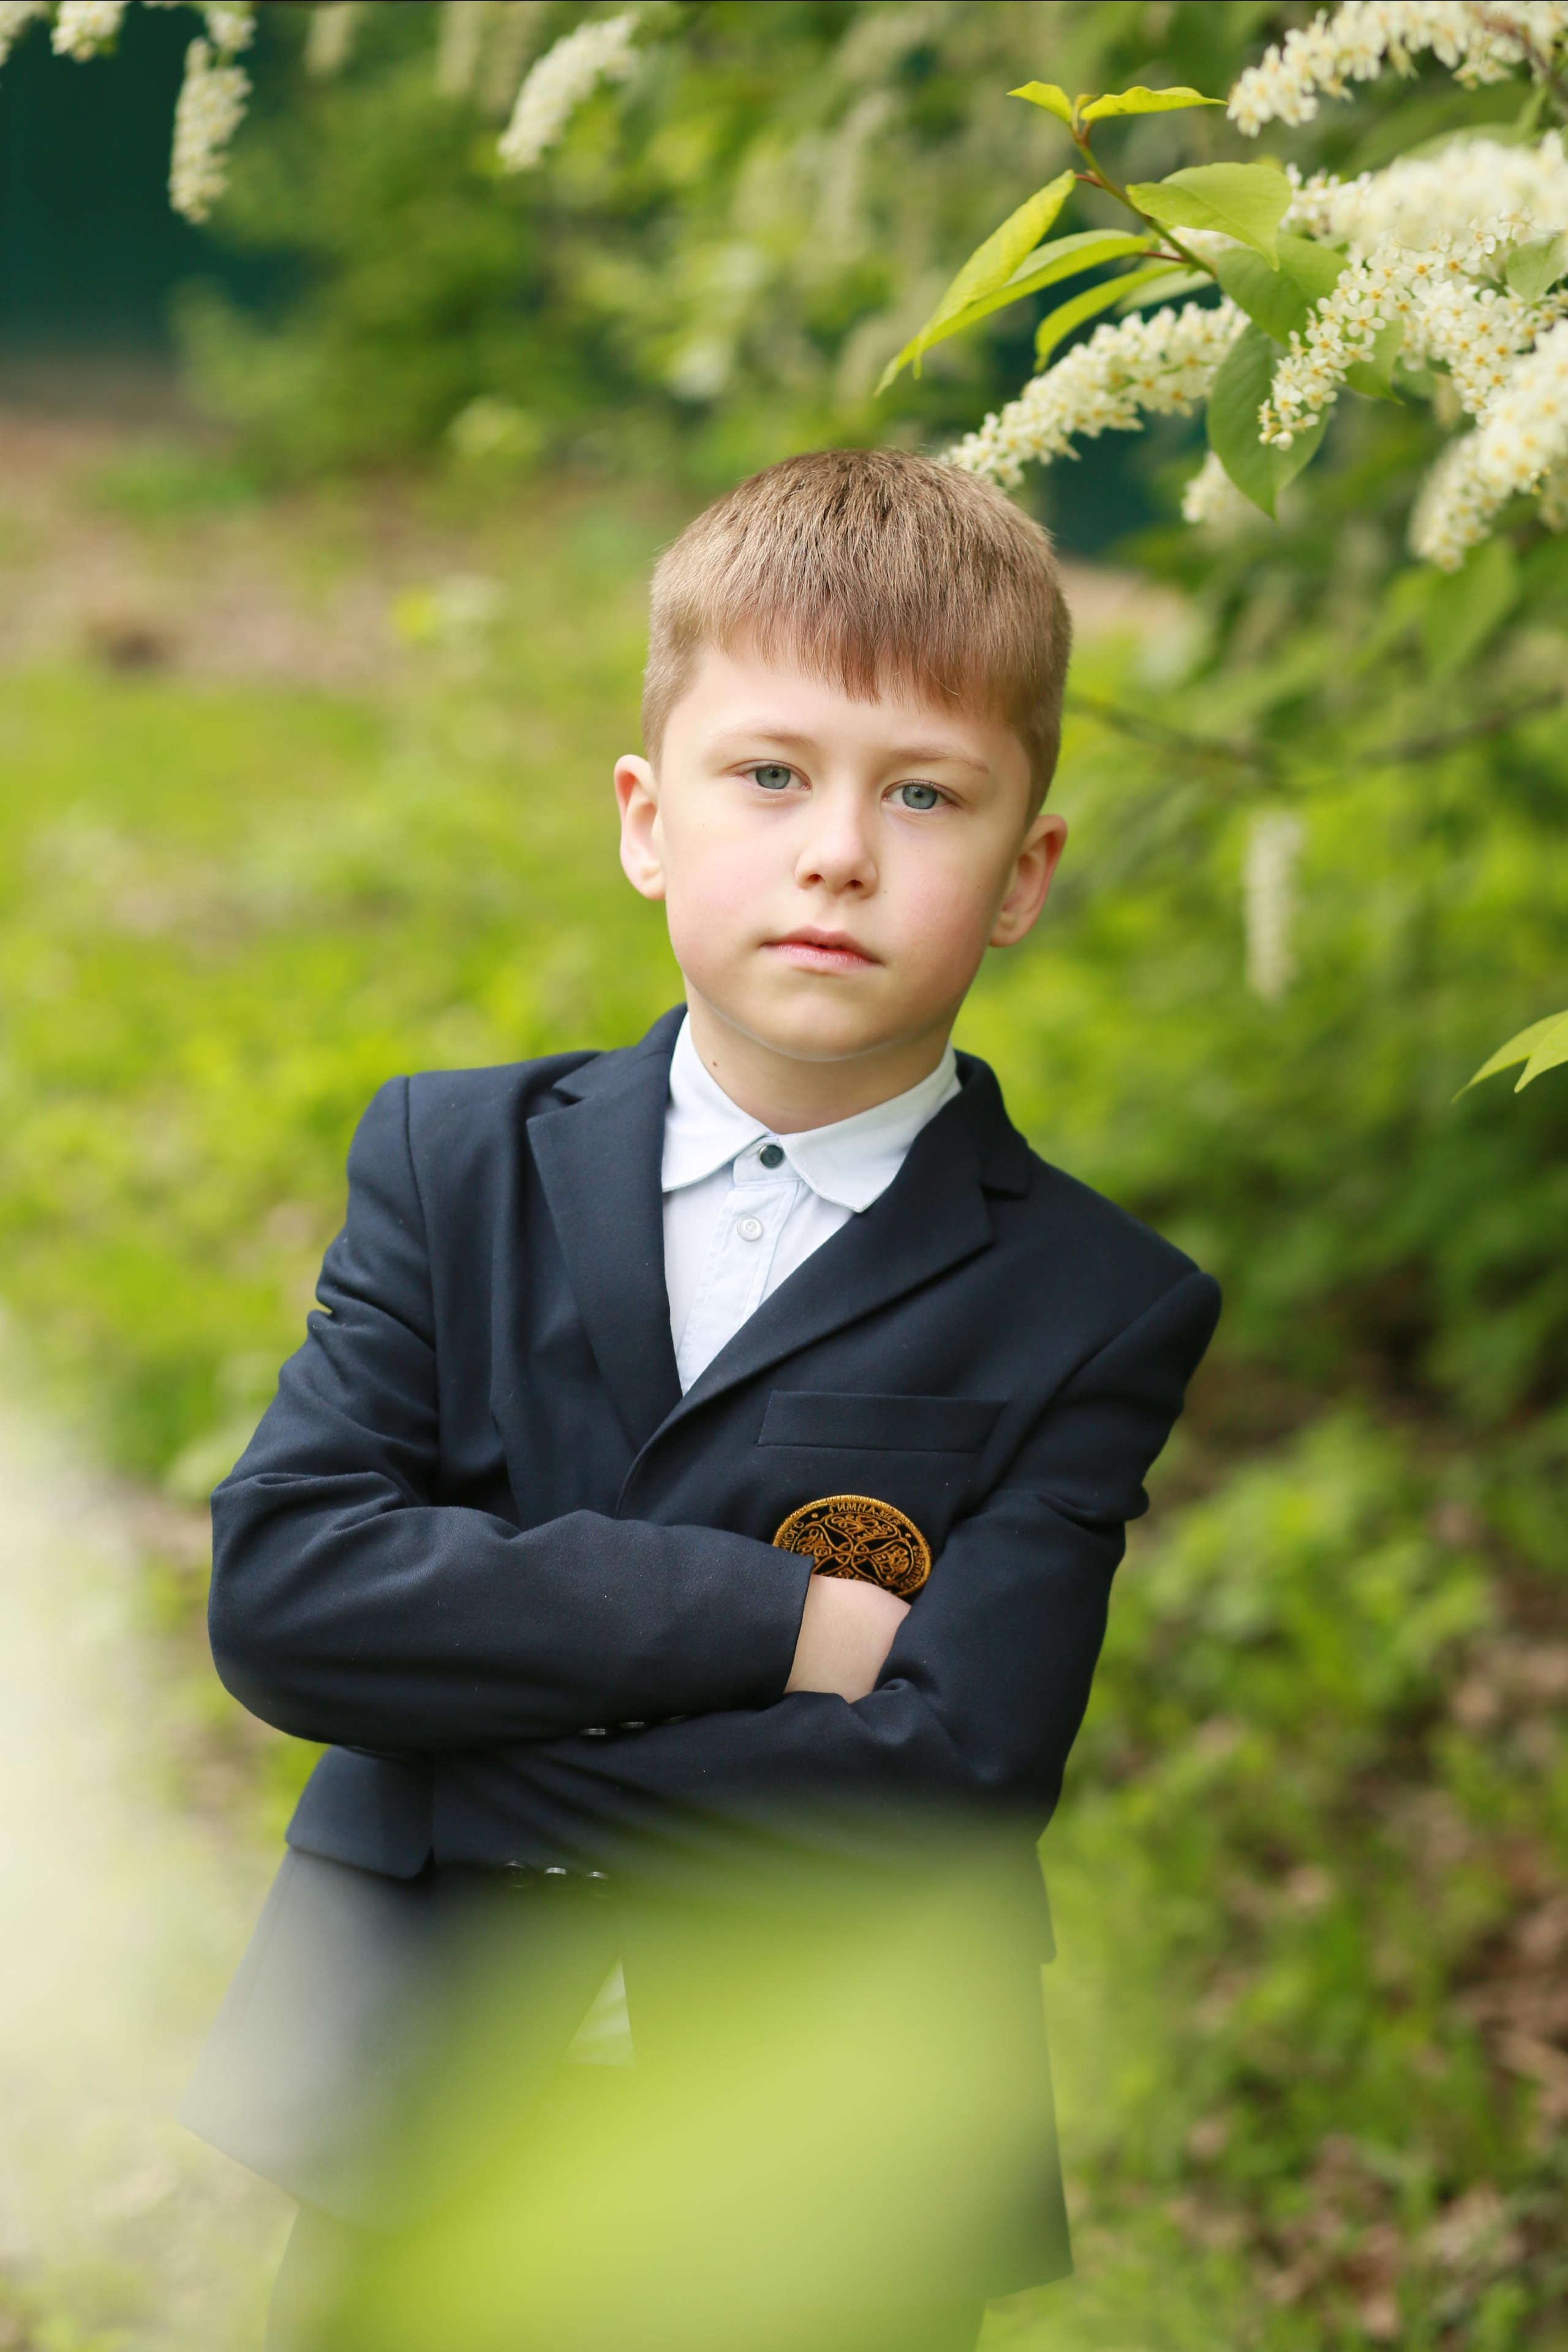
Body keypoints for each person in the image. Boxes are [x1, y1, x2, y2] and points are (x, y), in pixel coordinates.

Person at [183, 448, 1220, 2352]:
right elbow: (290, 1596)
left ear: (1023, 876)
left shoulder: (1095, 1304)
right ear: (648, 821)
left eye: (926, 793)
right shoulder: (449, 1163)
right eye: (773, 774)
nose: (840, 849)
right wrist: (785, 1622)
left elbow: (951, 1776)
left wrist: (463, 1729)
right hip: (420, 2101)